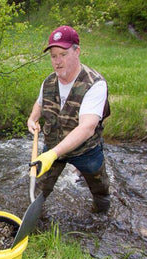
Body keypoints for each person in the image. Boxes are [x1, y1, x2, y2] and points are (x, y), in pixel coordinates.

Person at [28, 26, 111, 215]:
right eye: (53, 56)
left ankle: (100, 220)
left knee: (100, 191)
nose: (57, 62)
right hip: (53, 145)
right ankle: (37, 223)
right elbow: (39, 104)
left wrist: (52, 154)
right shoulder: (48, 81)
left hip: (85, 150)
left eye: (63, 54)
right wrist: (32, 119)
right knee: (38, 189)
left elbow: (87, 128)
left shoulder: (95, 84)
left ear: (77, 51)